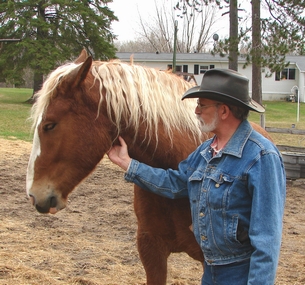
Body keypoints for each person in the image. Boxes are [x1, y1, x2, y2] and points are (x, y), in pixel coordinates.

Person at [107, 68, 286, 285]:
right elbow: (174, 183)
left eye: (202, 105)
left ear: (224, 111)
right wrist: (128, 164)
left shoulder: (261, 156)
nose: (196, 111)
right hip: (211, 271)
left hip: (240, 273)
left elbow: (267, 239)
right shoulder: (205, 152)